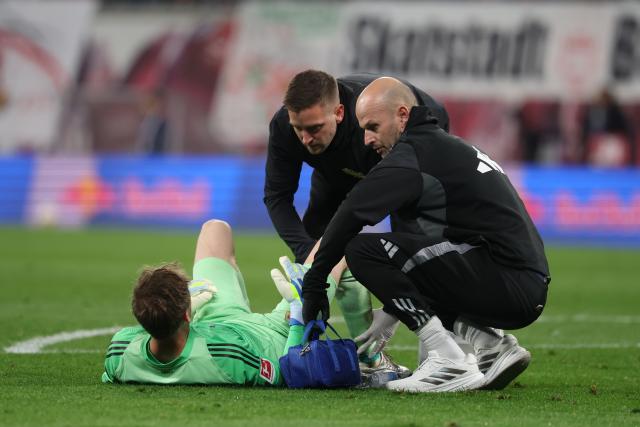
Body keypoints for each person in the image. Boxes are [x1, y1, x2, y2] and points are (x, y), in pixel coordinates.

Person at [300, 77, 550, 393]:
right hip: (517, 279)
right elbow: (425, 256)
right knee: (404, 251)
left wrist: (314, 283)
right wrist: (393, 309)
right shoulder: (442, 147)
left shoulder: (413, 155)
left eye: (373, 126)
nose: (366, 139)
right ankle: (491, 345)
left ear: (402, 115)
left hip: (506, 278)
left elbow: (351, 213)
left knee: (362, 249)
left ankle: (448, 359)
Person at [264, 69, 449, 376]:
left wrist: (328, 256)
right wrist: (310, 258)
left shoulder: (376, 122)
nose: (305, 138)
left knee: (416, 250)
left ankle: (443, 352)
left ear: (338, 113)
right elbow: (276, 197)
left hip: (402, 155)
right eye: (299, 129)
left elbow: (365, 211)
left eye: (313, 128)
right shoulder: (285, 127)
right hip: (335, 173)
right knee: (315, 252)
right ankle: (366, 358)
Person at [102, 219, 344, 385]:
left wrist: (183, 307)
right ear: (186, 314)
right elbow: (285, 373)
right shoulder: (227, 356)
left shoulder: (120, 351)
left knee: (214, 228)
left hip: (211, 320)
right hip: (271, 332)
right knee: (340, 237)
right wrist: (299, 315)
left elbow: (115, 369)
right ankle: (371, 357)